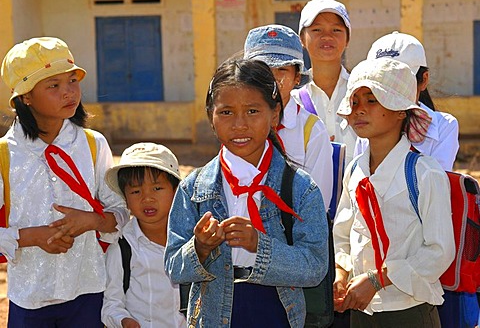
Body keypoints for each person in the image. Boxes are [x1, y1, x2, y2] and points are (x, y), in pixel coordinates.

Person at [164, 59, 329, 327]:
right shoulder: (193, 188)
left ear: (275, 115)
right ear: (211, 117)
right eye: (226, 112)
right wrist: (200, 248)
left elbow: (314, 266)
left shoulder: (300, 188)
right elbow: (173, 266)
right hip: (215, 315)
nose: (239, 124)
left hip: (277, 313)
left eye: (252, 111)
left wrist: (259, 245)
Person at [0, 37, 129, 327]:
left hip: (89, 292)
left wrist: (93, 221)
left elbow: (120, 213)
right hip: (28, 300)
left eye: (72, 80)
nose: (69, 92)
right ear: (26, 97)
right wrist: (32, 237)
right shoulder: (4, 156)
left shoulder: (93, 145)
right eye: (54, 85)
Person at [332, 57, 455, 327]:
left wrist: (378, 280)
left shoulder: (425, 173)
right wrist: (342, 273)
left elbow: (440, 250)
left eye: (371, 100)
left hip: (409, 309)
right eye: (354, 102)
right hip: (362, 311)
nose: (359, 110)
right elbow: (344, 231)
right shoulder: (354, 171)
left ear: (401, 111)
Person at [243, 23, 334, 210]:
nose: (272, 79)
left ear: (297, 77)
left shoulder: (312, 130)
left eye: (282, 70)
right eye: (263, 70)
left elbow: (319, 203)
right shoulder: (237, 125)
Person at [101, 142, 186, 328]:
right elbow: (111, 303)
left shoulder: (192, 240)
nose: (147, 198)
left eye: (157, 188)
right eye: (136, 191)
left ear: (175, 191)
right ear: (125, 197)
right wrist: (123, 321)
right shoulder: (123, 245)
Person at [354, 31, 459, 171]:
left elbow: (436, 186)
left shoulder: (444, 126)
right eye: (381, 83)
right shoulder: (365, 124)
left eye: (401, 82)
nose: (391, 92)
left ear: (423, 80)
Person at [291, 0, 357, 164]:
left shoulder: (361, 93)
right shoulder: (292, 100)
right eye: (317, 30)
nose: (327, 36)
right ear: (302, 39)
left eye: (336, 30)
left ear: (348, 39)